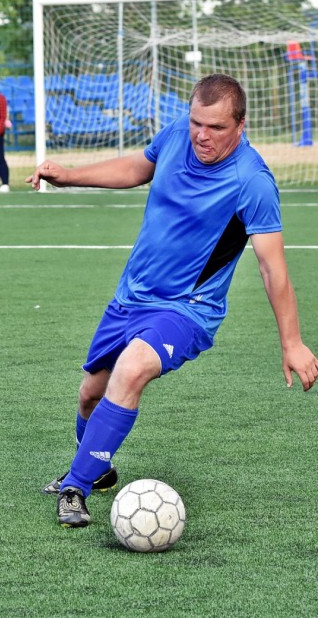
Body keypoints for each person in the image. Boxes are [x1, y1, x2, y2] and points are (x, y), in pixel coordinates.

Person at [26, 73, 318, 528]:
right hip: (132, 296)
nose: (202, 135)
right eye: (197, 122)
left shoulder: (253, 182)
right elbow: (136, 169)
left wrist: (292, 341)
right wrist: (70, 176)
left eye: (216, 128)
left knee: (134, 366)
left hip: (188, 309)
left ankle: (74, 488)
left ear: (241, 125)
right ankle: (99, 470)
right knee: (90, 396)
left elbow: (271, 267)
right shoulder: (177, 135)